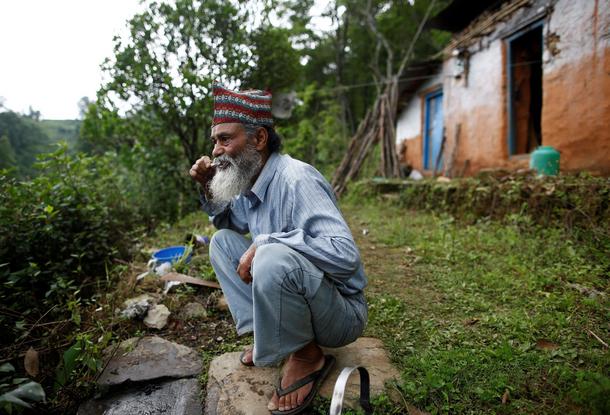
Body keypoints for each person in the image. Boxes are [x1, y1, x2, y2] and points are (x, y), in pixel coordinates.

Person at [189, 83, 367, 414]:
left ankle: (307, 356)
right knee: (222, 243)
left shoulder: (296, 179)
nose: (215, 150)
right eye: (215, 141)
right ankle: (268, 336)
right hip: (305, 300)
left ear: (258, 139)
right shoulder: (251, 181)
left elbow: (345, 257)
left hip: (340, 314)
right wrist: (207, 186)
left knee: (268, 251)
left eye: (225, 139)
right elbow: (231, 224)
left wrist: (269, 241)